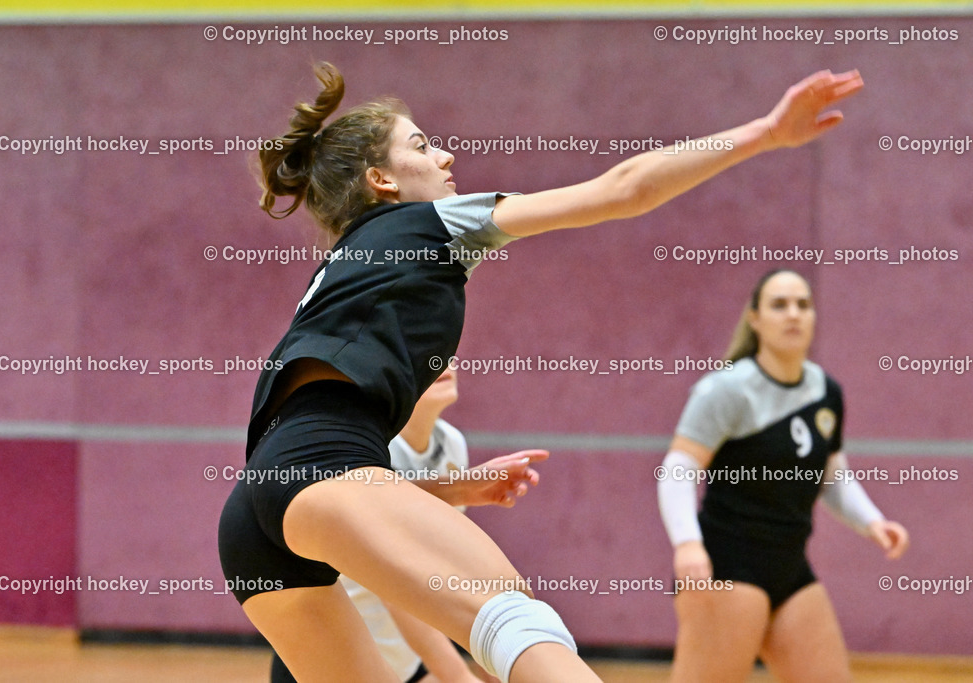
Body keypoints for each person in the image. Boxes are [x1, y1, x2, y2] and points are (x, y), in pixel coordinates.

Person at [217, 61, 865, 683]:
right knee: (519, 622)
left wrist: (449, 490)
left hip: (252, 513)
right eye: (421, 144)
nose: (445, 158)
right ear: (382, 181)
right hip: (322, 466)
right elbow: (625, 188)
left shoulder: (342, 263)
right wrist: (765, 133)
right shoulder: (430, 222)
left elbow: (316, 458)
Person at [657, 269, 911, 682]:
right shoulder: (726, 390)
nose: (793, 314)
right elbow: (678, 469)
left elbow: (831, 476)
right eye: (779, 305)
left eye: (803, 304)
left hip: (790, 567)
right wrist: (687, 544)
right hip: (726, 566)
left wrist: (873, 522)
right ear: (755, 319)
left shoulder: (826, 392)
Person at [270, 367, 525, 683]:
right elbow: (396, 591)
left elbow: (447, 571)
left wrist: (499, 669)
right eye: (427, 359)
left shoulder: (451, 443)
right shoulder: (367, 452)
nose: (444, 364)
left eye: (446, 355)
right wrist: (460, 677)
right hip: (326, 658)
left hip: (402, 662)